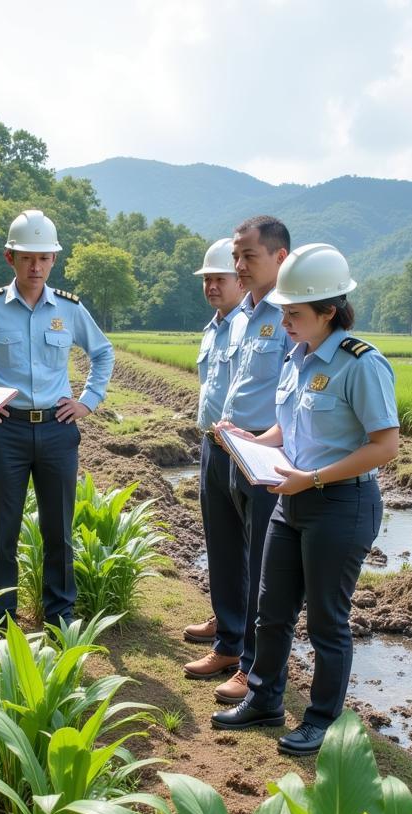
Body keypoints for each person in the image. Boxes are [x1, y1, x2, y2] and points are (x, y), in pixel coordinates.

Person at [210, 243, 400, 755]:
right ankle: (265, 699)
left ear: (328, 311)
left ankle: (320, 722)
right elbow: (289, 428)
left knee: (325, 622)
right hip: (291, 500)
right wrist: (250, 440)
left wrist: (312, 479)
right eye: (283, 312)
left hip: (340, 506)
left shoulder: (361, 364)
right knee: (271, 612)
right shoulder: (296, 358)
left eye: (294, 313)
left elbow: (384, 446)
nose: (285, 321)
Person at [0, 210, 115, 627]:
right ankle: (0, 620)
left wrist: (88, 401)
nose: (35, 267)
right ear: (9, 258)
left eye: (44, 258)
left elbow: (103, 353)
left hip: (58, 428)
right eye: (26, 258)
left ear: (54, 259)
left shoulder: (70, 310)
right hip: (7, 431)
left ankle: (60, 617)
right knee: (3, 530)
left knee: (59, 530)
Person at [183, 216, 289, 706]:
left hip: (265, 457)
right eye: (236, 258)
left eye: (249, 257)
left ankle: (253, 664)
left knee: (262, 565)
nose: (239, 266)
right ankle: (228, 644)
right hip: (224, 447)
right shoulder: (241, 315)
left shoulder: (291, 315)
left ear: (279, 258)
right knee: (224, 550)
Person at [181, 238, 244, 646]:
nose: (212, 287)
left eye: (220, 279)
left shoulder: (253, 324)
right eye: (207, 280)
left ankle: (239, 637)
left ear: (241, 279)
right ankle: (225, 618)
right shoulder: (213, 328)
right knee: (220, 541)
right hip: (211, 445)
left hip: (243, 447)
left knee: (247, 545)